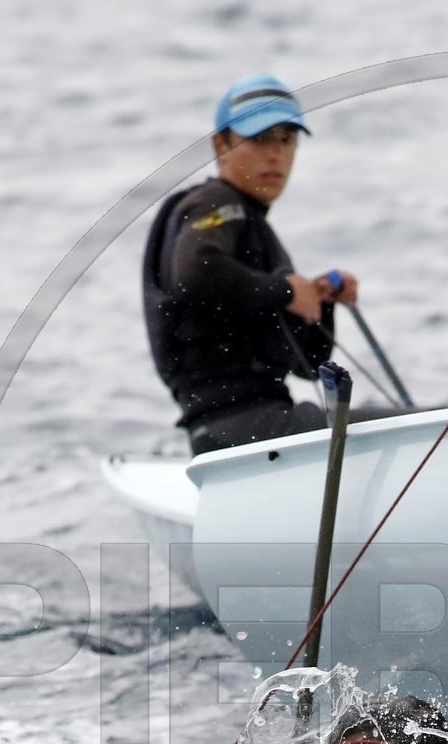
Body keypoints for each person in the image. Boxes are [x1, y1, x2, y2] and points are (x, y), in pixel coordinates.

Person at [142, 73, 360, 456]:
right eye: (259, 139)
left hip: (238, 431)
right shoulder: (214, 204)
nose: (275, 155)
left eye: (286, 140)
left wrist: (320, 302)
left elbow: (309, 364)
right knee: (442, 417)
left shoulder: (252, 231)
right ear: (221, 145)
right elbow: (196, 272)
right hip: (240, 426)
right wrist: (287, 290)